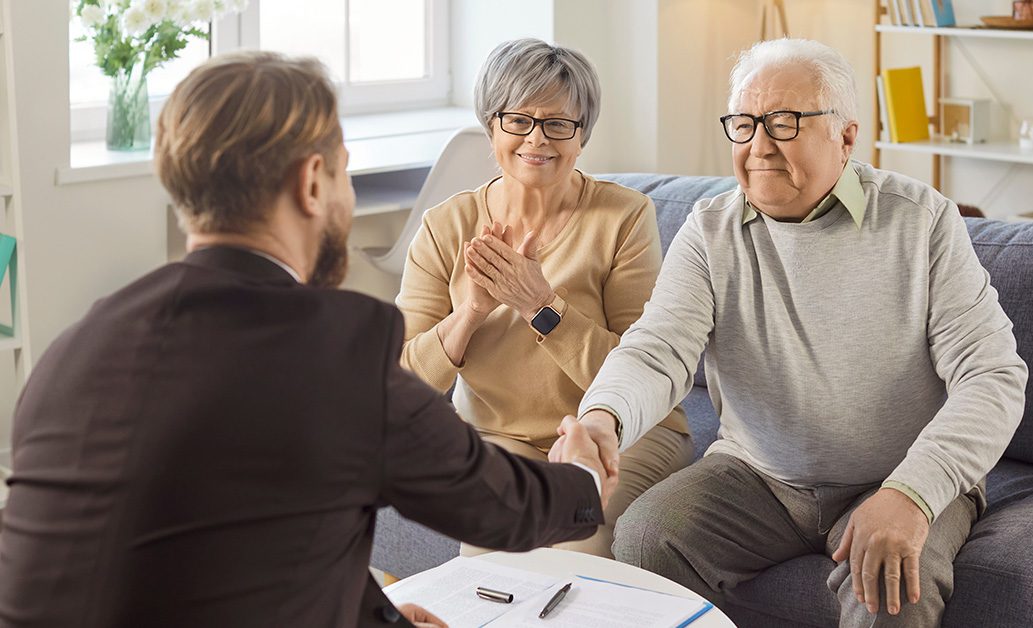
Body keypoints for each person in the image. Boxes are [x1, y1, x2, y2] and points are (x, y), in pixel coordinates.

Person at [0, 52, 612, 628]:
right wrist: (584, 479)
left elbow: (244, 532)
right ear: (313, 181)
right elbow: (495, 504)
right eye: (344, 171)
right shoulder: (334, 345)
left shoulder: (82, 342)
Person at [556, 38, 1028, 626]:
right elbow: (657, 352)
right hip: (758, 476)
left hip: (898, 473)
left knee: (891, 591)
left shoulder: (921, 221)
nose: (758, 146)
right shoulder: (710, 231)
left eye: (783, 123)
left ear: (846, 137)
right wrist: (602, 418)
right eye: (744, 123)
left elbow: (993, 377)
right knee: (649, 536)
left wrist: (911, 493)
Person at [396, 38, 692, 558]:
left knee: (568, 540)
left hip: (617, 432)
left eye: (559, 124)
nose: (538, 138)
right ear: (492, 127)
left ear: (582, 137)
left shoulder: (624, 218)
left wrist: (542, 308)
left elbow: (642, 367)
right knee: (492, 557)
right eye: (519, 120)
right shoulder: (446, 227)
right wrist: (470, 314)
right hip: (497, 437)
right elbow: (400, 384)